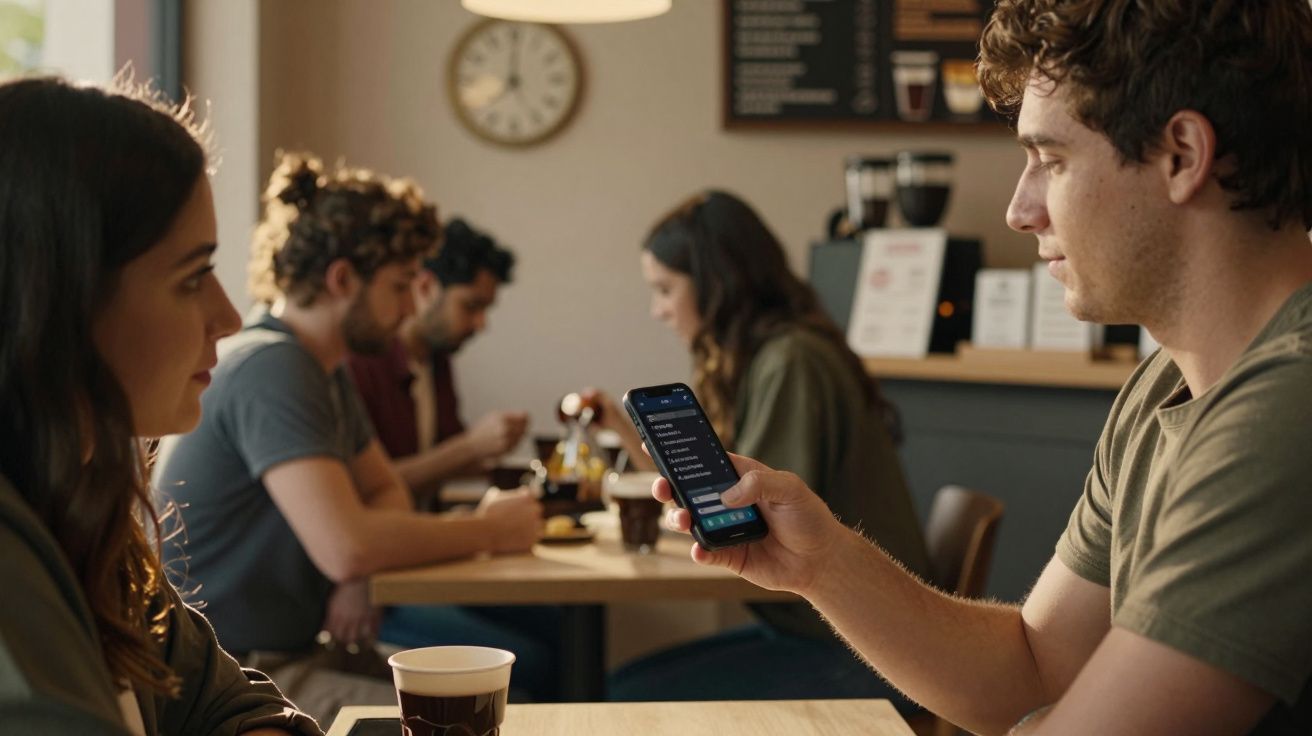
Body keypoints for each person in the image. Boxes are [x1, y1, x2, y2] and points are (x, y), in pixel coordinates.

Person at [655, 1, 1312, 734]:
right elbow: (1035, 668)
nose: (1018, 209)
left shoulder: (1289, 406)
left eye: (1051, 160)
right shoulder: (1164, 387)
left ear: (1182, 156)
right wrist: (824, 565)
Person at [154, 152, 548, 722]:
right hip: (228, 678)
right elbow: (347, 543)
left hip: (286, 655)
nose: (411, 307)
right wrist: (490, 528)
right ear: (342, 280)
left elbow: (383, 496)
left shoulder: (323, 368)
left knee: (509, 700)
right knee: (489, 712)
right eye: (399, 287)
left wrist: (357, 567)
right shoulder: (273, 367)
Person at [0, 75, 318, 734]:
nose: (228, 317)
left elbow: (226, 699)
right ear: (64, 302)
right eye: (192, 278)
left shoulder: (78, 510)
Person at [598, 190, 931, 707]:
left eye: (664, 289)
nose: (657, 310)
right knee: (617, 688)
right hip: (838, 632)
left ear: (715, 282)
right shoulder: (776, 355)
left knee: (623, 700)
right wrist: (627, 432)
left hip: (866, 650)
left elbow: (747, 516)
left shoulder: (790, 363)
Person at [347, 217, 527, 499]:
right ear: (426, 288)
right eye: (471, 306)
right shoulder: (363, 363)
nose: (481, 324)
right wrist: (471, 446)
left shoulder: (436, 360)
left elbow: (444, 462)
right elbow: (367, 487)